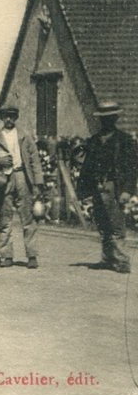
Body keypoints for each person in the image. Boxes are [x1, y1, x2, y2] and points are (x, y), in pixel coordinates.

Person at [0, 105, 44, 268]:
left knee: (27, 217)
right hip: (2, 179)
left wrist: (37, 184)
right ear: (1, 118)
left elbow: (35, 161)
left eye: (12, 116)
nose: (9, 119)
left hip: (22, 176)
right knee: (5, 217)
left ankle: (32, 255)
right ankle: (6, 255)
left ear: (16, 118)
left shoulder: (24, 137)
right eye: (6, 116)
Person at [76, 101, 138, 274]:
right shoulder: (94, 140)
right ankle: (108, 258)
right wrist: (84, 189)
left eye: (109, 118)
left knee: (116, 224)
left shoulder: (124, 141)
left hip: (113, 185)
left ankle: (122, 261)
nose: (106, 122)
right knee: (102, 223)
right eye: (103, 119)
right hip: (97, 185)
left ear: (115, 119)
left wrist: (127, 190)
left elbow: (132, 168)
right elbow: (86, 166)